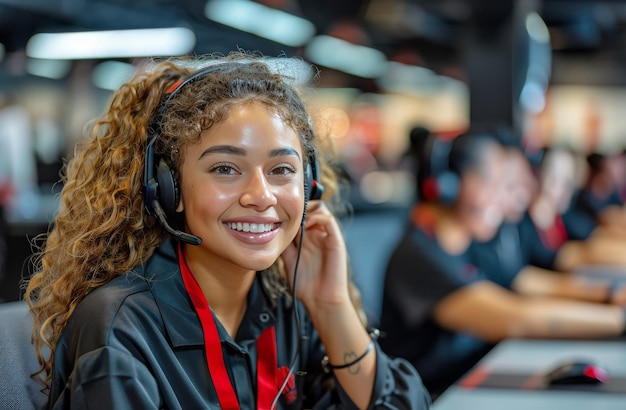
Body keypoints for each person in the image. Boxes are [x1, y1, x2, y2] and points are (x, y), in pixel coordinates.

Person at [25, 54, 429, 409]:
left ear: (309, 187)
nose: (261, 195)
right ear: (170, 189)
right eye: (225, 169)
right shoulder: (122, 328)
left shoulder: (288, 303)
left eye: (281, 170)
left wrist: (331, 306)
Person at [379, 129, 626, 399]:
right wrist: (618, 319)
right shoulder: (421, 255)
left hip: (471, 382)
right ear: (451, 186)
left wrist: (609, 295)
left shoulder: (469, 243)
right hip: (436, 397)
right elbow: (514, 318)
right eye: (494, 184)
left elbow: (524, 282)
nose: (504, 199)